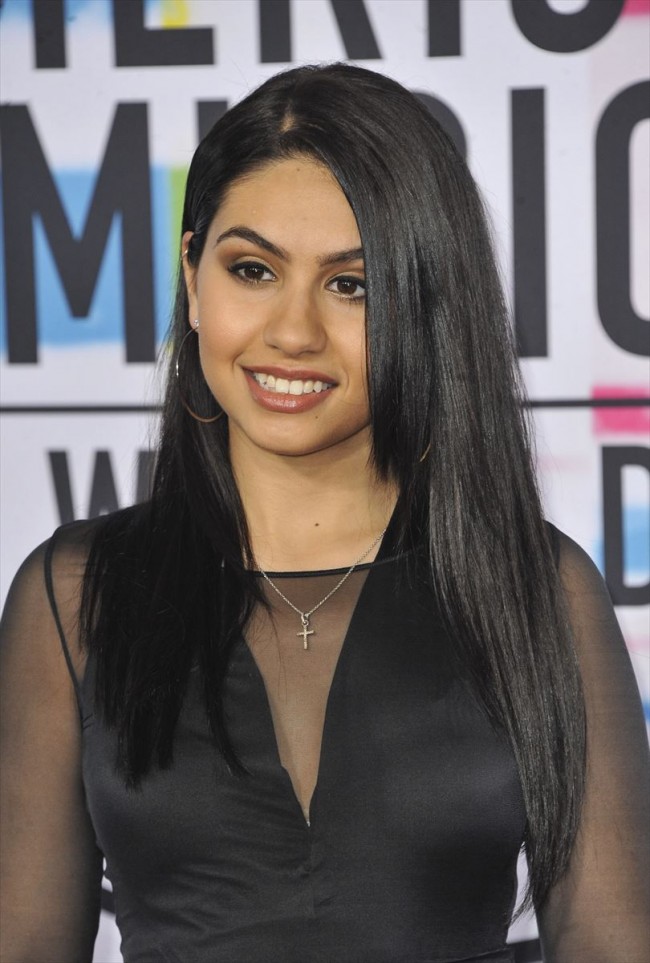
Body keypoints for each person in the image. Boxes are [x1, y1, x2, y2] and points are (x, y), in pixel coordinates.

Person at [0, 63, 648, 963]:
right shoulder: (76, 597)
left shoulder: (536, 589)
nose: (293, 331)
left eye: (352, 285)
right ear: (192, 278)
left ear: (425, 304)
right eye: (252, 270)